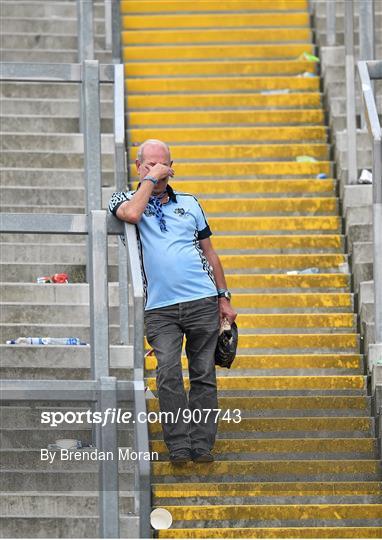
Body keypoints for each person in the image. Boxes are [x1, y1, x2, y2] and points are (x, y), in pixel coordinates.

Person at [108, 139, 237, 464]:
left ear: (173, 165)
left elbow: (211, 253)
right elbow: (133, 214)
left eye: (163, 164)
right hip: (160, 308)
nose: (158, 170)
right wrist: (151, 181)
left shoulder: (191, 203)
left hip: (202, 299)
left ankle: (201, 445)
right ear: (138, 167)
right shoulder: (123, 198)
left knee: (203, 374)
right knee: (167, 373)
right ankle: (178, 446)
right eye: (149, 165)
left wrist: (224, 298)